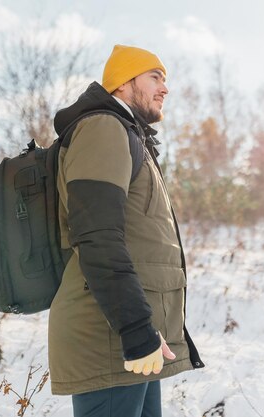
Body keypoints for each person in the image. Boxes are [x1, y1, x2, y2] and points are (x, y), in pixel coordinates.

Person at [49, 44, 204, 417]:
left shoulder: (129, 136)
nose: (165, 88)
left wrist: (144, 330)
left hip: (137, 336)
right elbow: (96, 235)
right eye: (155, 76)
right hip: (113, 339)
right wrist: (135, 330)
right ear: (122, 83)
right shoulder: (103, 129)